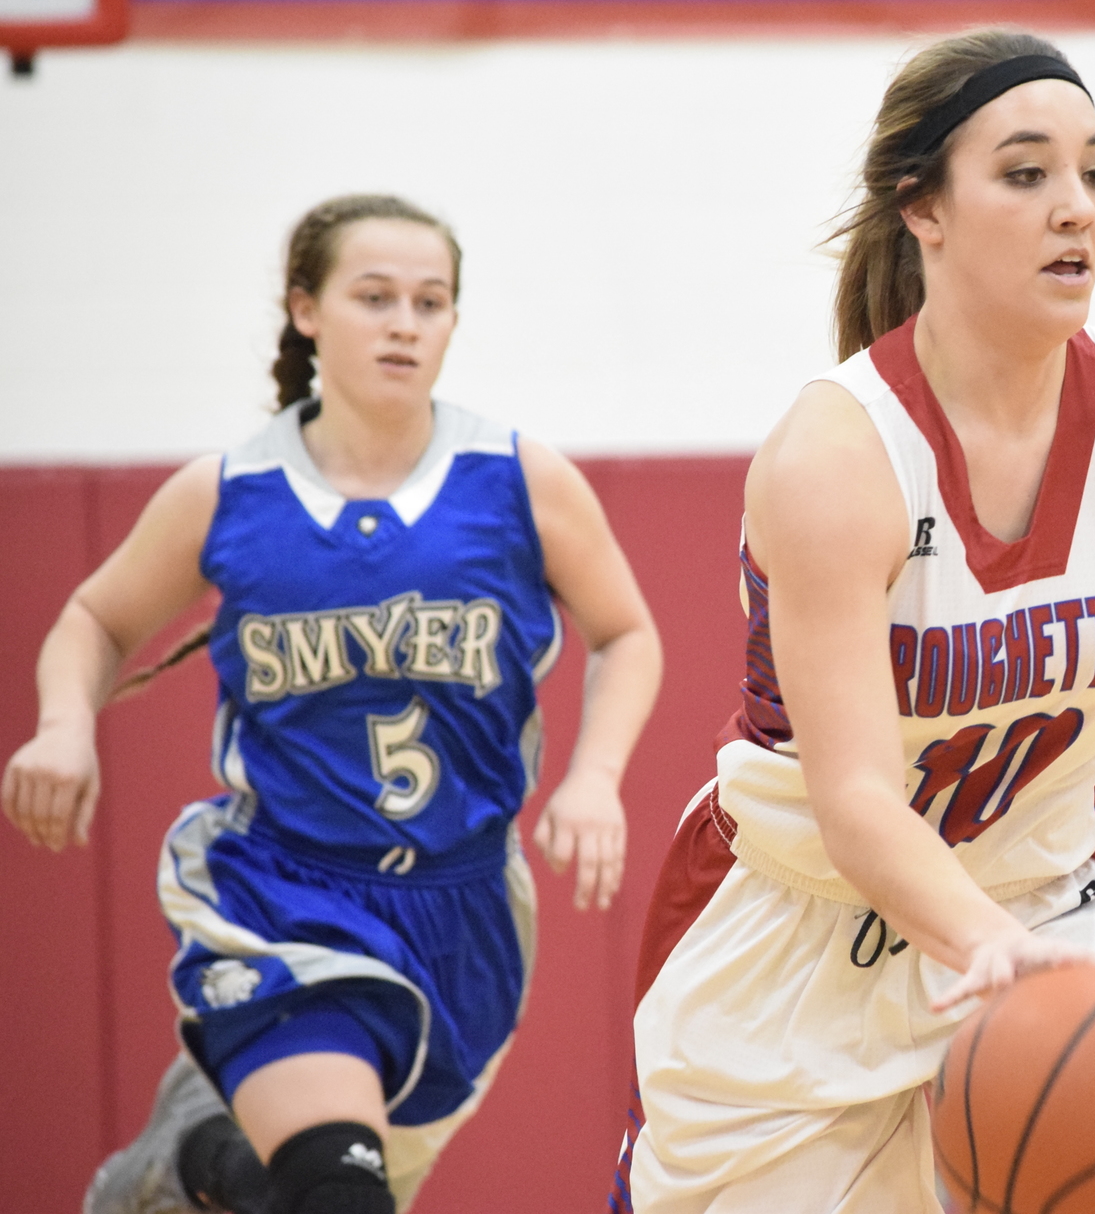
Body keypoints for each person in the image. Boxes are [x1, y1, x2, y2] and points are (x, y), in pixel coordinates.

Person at [614, 30, 1095, 1214]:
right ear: (921, 208)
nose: (1075, 206)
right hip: (805, 931)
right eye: (1025, 173)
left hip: (1044, 890)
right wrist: (988, 945)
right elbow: (855, 797)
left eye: (1093, 171)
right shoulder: (836, 457)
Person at [1, 194, 663, 1214]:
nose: (405, 323)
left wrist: (595, 777)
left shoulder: (518, 480)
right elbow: (96, 616)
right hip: (281, 891)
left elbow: (626, 632)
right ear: (305, 309)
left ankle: (190, 1163)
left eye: (430, 302)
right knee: (337, 1191)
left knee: (323, 1183)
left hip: (464, 907)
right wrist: (62, 725)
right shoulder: (230, 491)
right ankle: (211, 1154)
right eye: (375, 297)